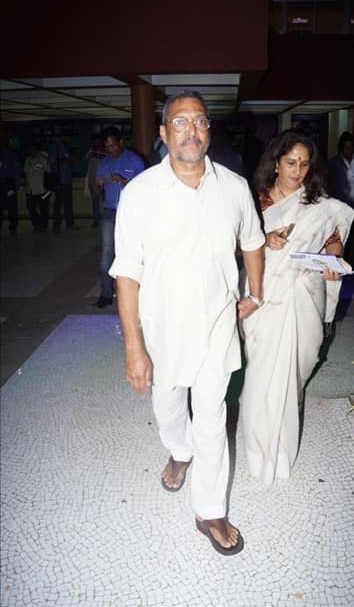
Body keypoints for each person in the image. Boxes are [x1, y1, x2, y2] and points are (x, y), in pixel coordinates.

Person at [109, 91, 265, 555]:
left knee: (212, 421)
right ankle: (179, 451)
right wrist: (134, 348)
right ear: (163, 133)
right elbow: (127, 274)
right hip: (162, 334)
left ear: (209, 130)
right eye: (180, 123)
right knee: (169, 410)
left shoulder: (234, 187)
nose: (191, 131)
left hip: (217, 328)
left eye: (199, 122)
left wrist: (253, 293)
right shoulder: (139, 195)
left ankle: (210, 510)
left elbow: (252, 242)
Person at [240, 129, 354, 487]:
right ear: (276, 162)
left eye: (305, 164)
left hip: (304, 292)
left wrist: (330, 261)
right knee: (261, 377)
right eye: (291, 162)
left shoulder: (319, 204)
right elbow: (235, 244)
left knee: (296, 370)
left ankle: (284, 452)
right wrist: (264, 240)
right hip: (265, 295)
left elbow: (334, 245)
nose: (298, 170)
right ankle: (259, 454)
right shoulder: (255, 201)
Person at [94, 128, 145, 308]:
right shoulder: (103, 163)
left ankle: (138, 293)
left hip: (130, 212)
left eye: (113, 145)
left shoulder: (134, 160)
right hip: (109, 211)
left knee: (133, 253)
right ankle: (106, 293)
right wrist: (98, 185)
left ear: (120, 142)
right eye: (107, 147)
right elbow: (97, 190)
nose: (111, 149)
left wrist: (123, 180)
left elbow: (144, 188)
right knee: (107, 253)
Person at [48, 133, 78, 232]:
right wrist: (66, 159)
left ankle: (70, 224)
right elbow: (52, 162)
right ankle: (57, 224)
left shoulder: (67, 147)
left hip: (67, 179)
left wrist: (72, 158)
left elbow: (71, 161)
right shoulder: (55, 147)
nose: (69, 139)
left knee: (68, 203)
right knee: (58, 203)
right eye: (68, 137)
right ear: (62, 136)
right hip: (59, 180)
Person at [327, 132, 354, 212]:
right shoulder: (333, 163)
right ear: (341, 147)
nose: (348, 149)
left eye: (351, 146)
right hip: (338, 205)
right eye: (346, 146)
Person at [23, 143, 50, 232]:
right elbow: (26, 174)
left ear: (37, 150)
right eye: (30, 149)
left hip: (42, 189)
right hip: (30, 190)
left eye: (34, 149)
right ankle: (36, 224)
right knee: (31, 208)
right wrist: (26, 186)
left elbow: (48, 171)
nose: (32, 151)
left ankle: (44, 225)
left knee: (44, 209)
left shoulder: (43, 159)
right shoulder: (27, 160)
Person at [84, 136, 106, 228]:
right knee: (95, 201)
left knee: (105, 201)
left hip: (105, 180)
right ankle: (96, 220)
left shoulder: (106, 152)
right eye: (95, 141)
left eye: (98, 141)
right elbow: (85, 163)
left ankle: (107, 219)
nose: (96, 143)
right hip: (93, 181)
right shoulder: (91, 152)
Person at [0, 137, 21, 234]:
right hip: (8, 183)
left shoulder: (11, 155)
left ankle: (13, 226)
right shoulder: (11, 154)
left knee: (11, 206)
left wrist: (17, 184)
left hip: (8, 183)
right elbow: (16, 170)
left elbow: (16, 170)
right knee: (11, 206)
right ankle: (13, 226)